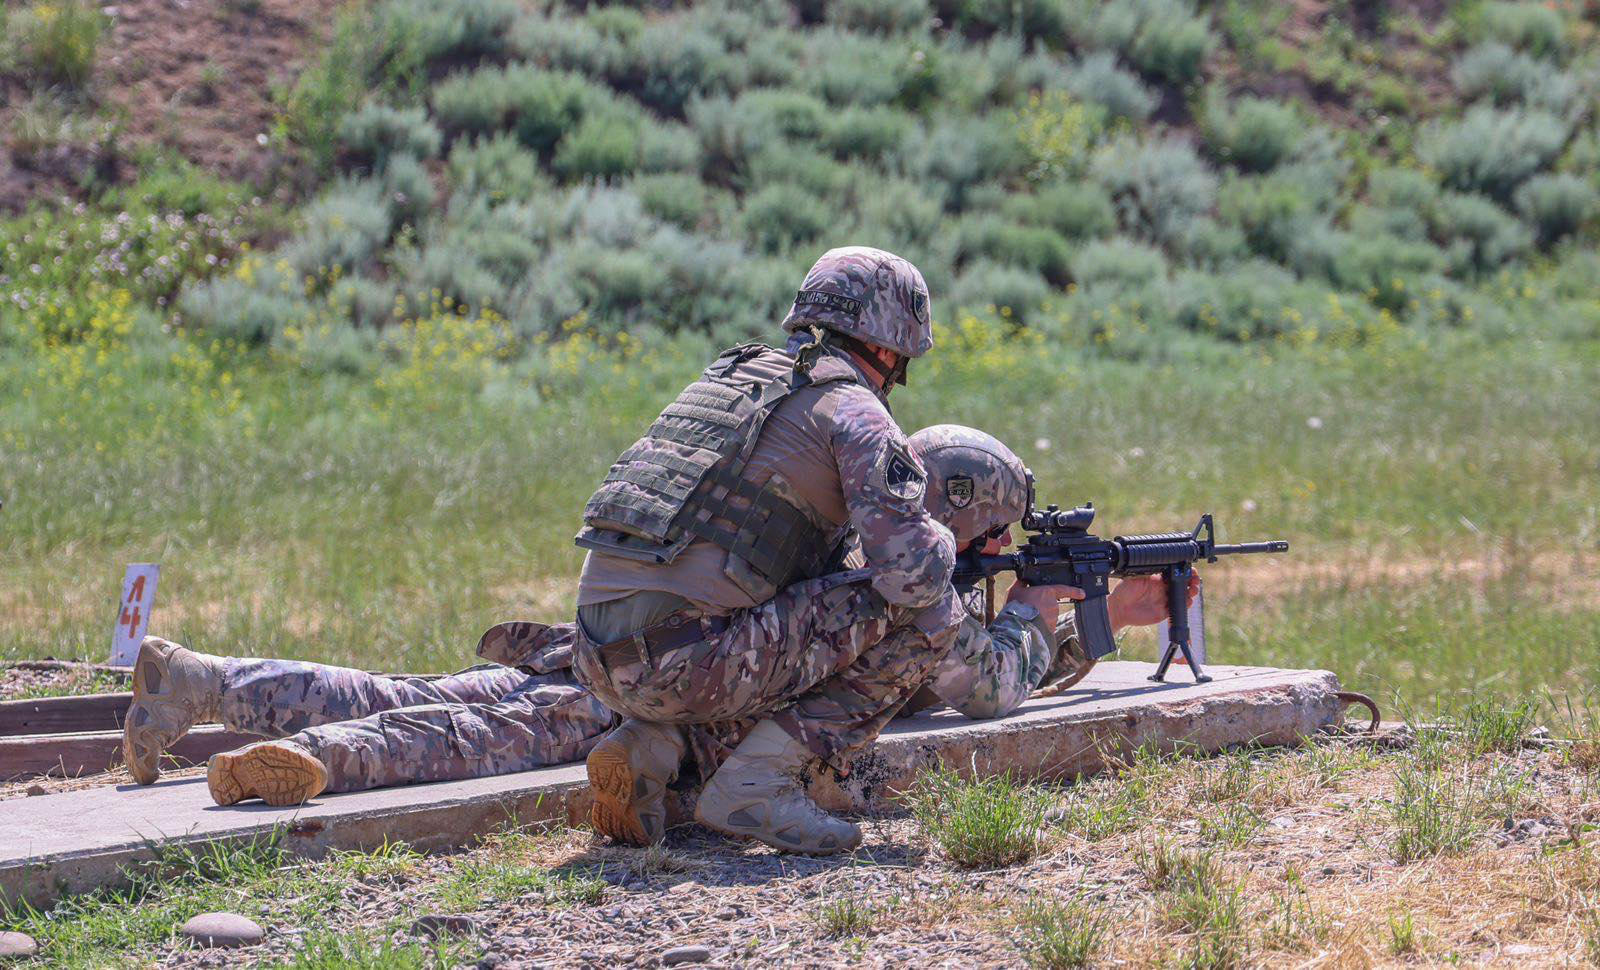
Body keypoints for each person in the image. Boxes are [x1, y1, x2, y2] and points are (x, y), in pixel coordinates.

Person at [571, 246, 967, 855]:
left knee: (780, 609)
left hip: (597, 656)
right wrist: (944, 538)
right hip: (688, 663)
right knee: (933, 610)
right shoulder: (855, 410)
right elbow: (910, 576)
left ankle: (654, 744)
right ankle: (759, 786)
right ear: (890, 347)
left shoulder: (733, 376)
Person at [121, 622, 615, 805]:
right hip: (626, 686)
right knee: (475, 737)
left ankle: (205, 680)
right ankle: (308, 757)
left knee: (400, 699)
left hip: (580, 649)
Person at [903, 424, 1200, 721]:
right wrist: (1024, 617)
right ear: (955, 525)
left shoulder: (904, 559)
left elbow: (981, 673)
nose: (1007, 541)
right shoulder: (908, 582)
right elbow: (991, 691)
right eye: (997, 528)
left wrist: (1114, 613)